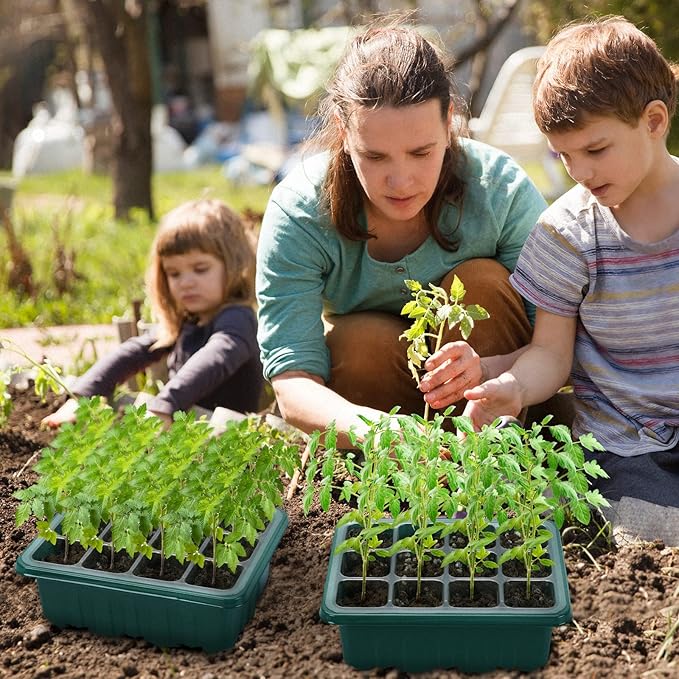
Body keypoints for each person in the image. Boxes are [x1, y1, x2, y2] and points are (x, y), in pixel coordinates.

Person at [255, 16, 547, 444]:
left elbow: (560, 344)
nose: (401, 181)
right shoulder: (299, 210)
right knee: (355, 343)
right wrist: (381, 434)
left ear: (448, 122)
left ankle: (495, 457)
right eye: (375, 157)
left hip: (498, 398)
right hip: (376, 420)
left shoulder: (500, 191)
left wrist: (491, 370)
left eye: (421, 152)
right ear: (343, 130)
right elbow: (293, 381)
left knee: (482, 283)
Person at [463, 16, 679, 538]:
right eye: (563, 155)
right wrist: (515, 386)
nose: (579, 172)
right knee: (657, 533)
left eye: (595, 150)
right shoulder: (567, 233)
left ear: (654, 121)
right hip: (626, 443)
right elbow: (551, 353)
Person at [43, 199, 263, 427]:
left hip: (228, 439)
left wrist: (166, 405)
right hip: (188, 432)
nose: (186, 282)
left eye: (200, 269)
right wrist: (82, 396)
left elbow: (217, 356)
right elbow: (133, 353)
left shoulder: (238, 318)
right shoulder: (188, 320)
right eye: (174, 273)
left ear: (235, 265)